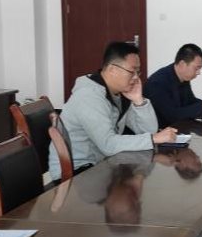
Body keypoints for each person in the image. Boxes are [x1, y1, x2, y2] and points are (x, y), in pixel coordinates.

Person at [48, 42, 177, 181]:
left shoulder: (118, 93)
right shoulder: (89, 96)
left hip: (100, 165)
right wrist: (153, 139)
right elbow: (108, 144)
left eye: (138, 72)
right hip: (77, 173)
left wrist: (138, 100)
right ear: (112, 70)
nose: (136, 77)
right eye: (132, 71)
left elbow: (148, 130)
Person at [144, 43, 202, 128]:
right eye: (196, 68)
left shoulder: (182, 77)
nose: (198, 72)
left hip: (177, 129)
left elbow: (190, 102)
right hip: (159, 131)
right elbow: (172, 116)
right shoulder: (158, 83)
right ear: (182, 64)